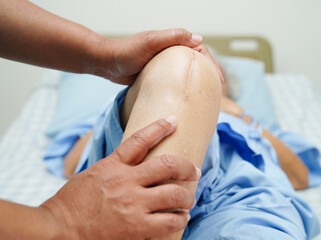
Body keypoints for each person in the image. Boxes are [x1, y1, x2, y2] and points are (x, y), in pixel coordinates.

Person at [43, 47, 321, 239]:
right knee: (180, 65)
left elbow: (299, 176)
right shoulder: (123, 110)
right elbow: (73, 166)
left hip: (242, 193)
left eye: (218, 79)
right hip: (129, 177)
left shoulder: (253, 126)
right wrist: (131, 103)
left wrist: (234, 111)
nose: (208, 80)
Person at [0, 0, 224, 239]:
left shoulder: (245, 122)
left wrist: (105, 52)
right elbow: (72, 160)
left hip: (236, 190)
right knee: (179, 65)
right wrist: (62, 219)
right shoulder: (116, 112)